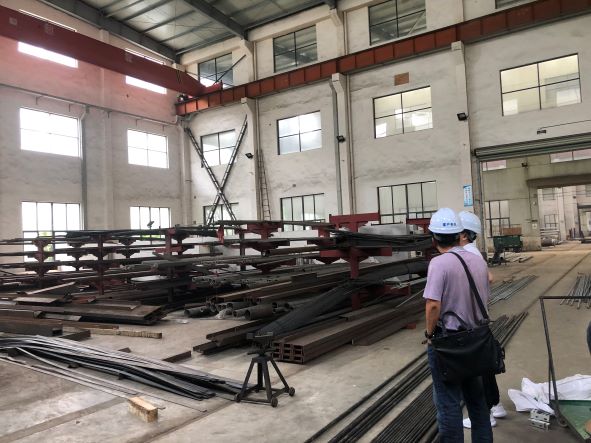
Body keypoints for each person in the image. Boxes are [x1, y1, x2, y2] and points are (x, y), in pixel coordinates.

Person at [424, 208, 493, 442]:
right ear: (458, 235)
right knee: (477, 402)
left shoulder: (439, 264)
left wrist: (429, 334)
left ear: (434, 238)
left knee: (448, 404)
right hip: (477, 340)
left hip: (450, 343)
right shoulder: (478, 261)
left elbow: (433, 305)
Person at [459, 210, 507, 429]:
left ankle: (485, 415)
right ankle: (496, 405)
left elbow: (489, 277)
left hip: (471, 319)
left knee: (475, 367)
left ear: (464, 234)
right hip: (479, 316)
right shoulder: (473, 252)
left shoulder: (466, 254)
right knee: (484, 364)